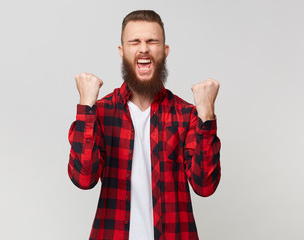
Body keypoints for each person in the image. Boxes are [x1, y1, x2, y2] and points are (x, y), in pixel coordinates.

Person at [68, 10, 221, 240]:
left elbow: (205, 185)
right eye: (135, 42)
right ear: (122, 52)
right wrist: (86, 107)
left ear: (165, 51)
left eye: (152, 41)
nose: (143, 48)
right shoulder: (101, 112)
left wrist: (206, 115)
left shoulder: (185, 115)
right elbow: (83, 179)